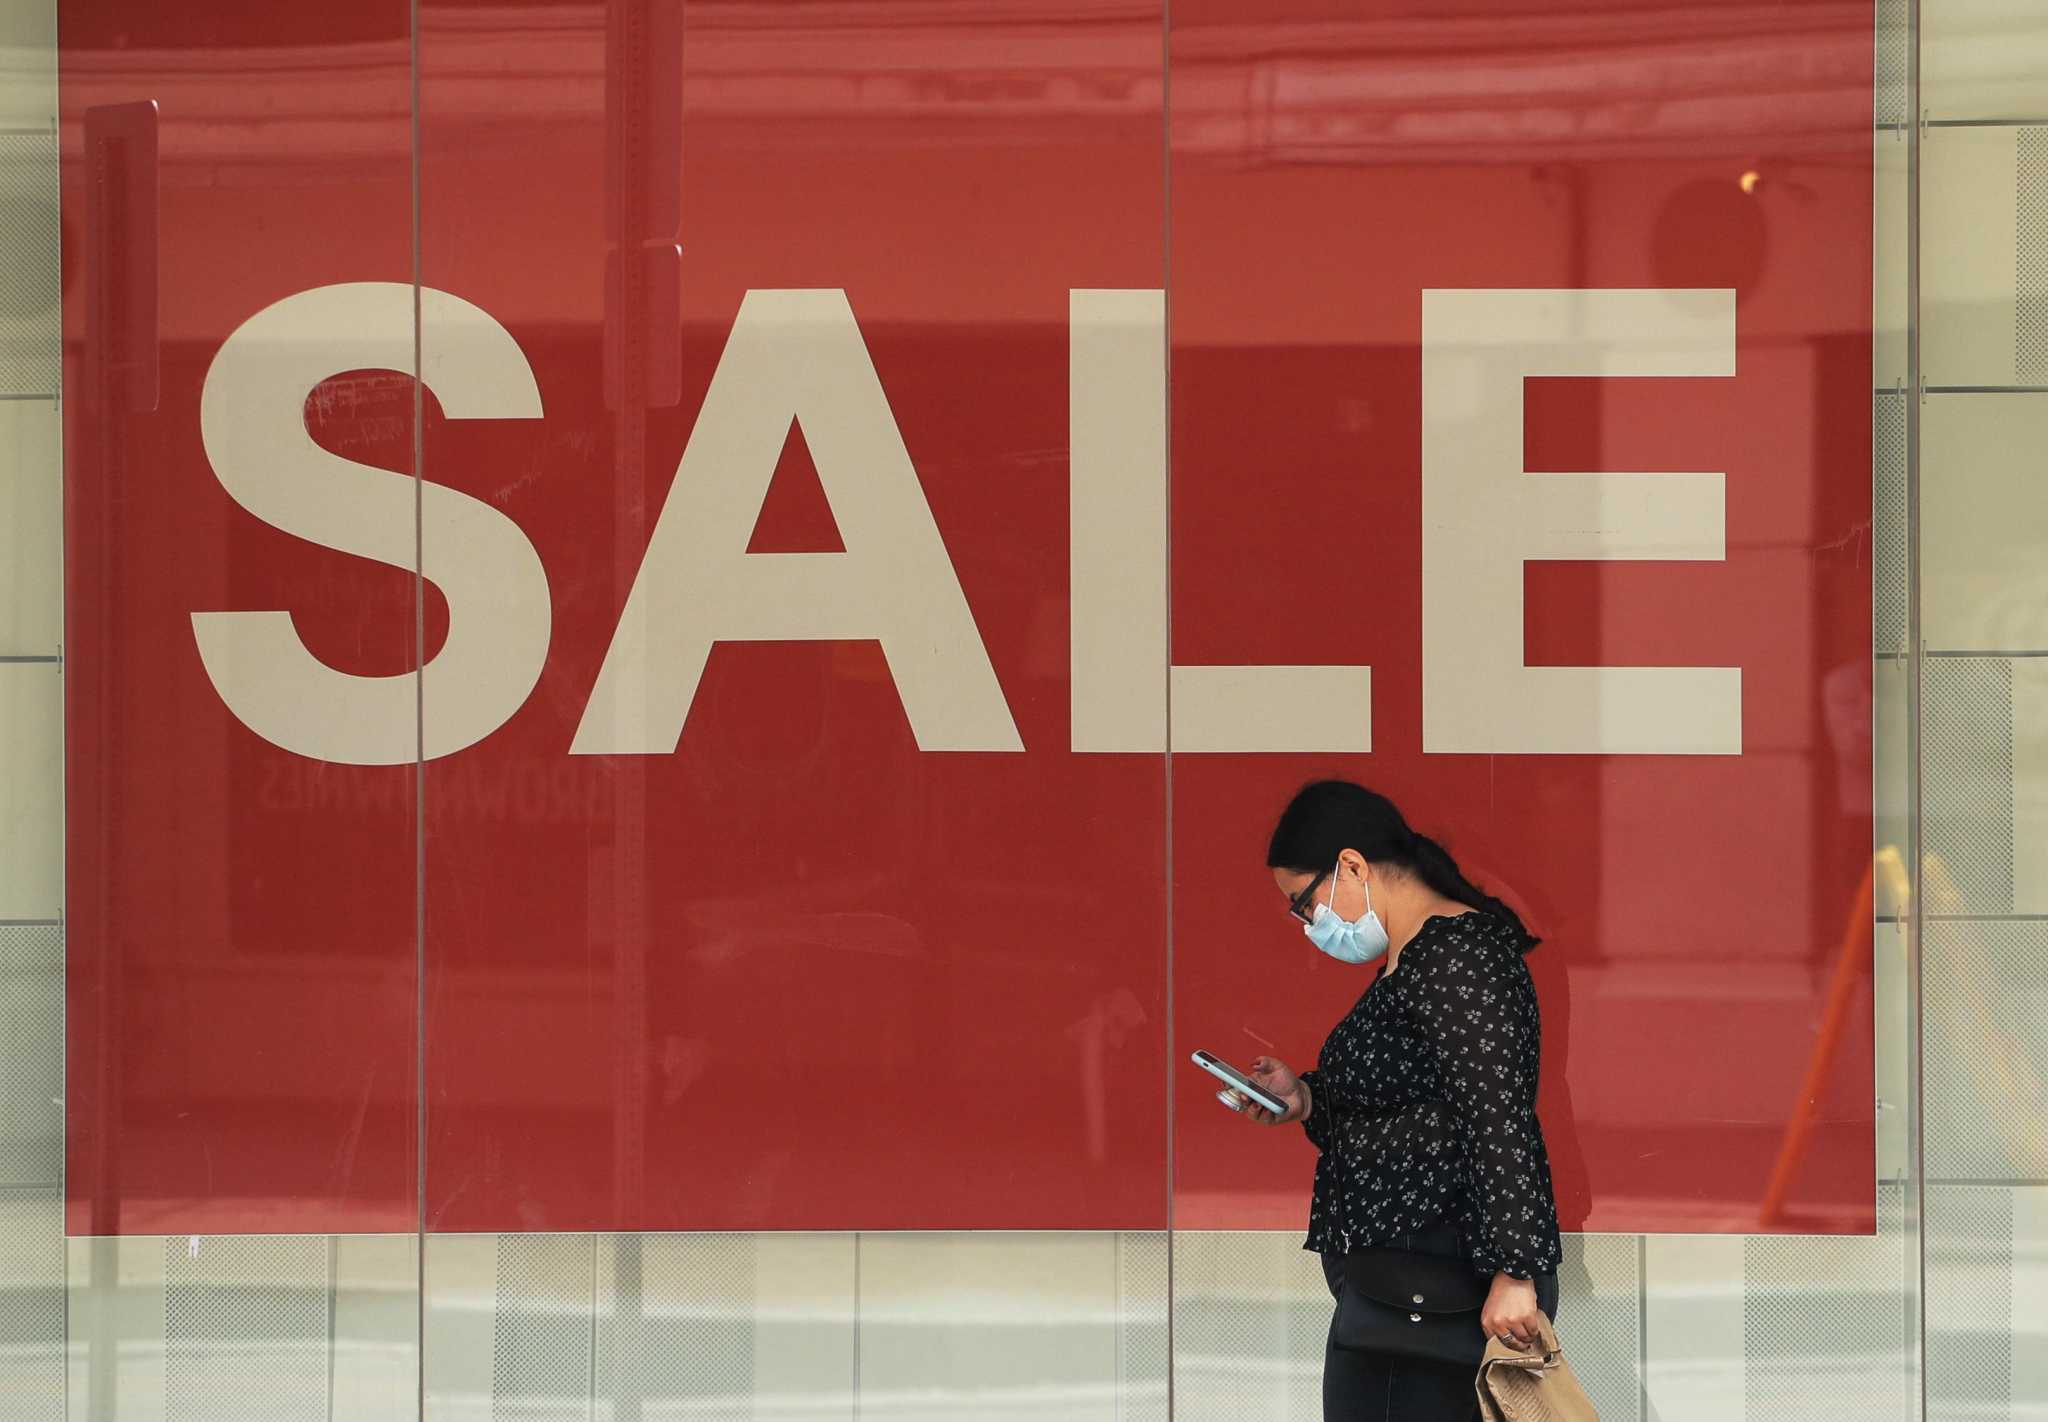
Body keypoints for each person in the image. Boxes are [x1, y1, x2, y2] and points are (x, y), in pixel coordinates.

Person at [1221, 779, 1564, 1422]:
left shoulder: (1456, 953)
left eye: (1302, 903)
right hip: (1400, 1281)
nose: (1305, 924)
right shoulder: (1412, 957)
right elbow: (1408, 1101)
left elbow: (1496, 1114)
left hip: (1439, 1285)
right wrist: (1303, 1099)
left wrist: (1516, 1271)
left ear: (1351, 866)